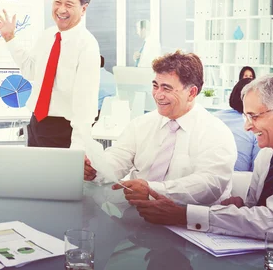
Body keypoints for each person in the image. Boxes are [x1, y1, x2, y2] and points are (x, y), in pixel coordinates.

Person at [129, 75, 273, 241]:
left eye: (254, 116)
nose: (247, 127)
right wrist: (238, 206)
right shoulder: (266, 155)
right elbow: (253, 211)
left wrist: (183, 215)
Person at [84, 51, 237, 206]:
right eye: (155, 86)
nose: (158, 95)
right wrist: (95, 169)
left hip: (189, 224)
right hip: (137, 216)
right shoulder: (141, 125)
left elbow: (209, 185)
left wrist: (152, 190)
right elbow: (118, 158)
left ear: (191, 93)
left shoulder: (215, 132)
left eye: (167, 88)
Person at [0, 0, 100, 148]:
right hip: (37, 123)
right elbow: (30, 71)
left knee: (59, 176)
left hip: (65, 131)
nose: (61, 9)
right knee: (36, 175)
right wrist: (10, 38)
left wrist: (78, 149)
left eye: (69, 4)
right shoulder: (48, 35)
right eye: (57, 2)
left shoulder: (87, 46)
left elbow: (85, 106)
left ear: (83, 8)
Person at [213, 78, 260, 171]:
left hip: (208, 177)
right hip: (240, 180)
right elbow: (258, 167)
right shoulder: (255, 126)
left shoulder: (214, 117)